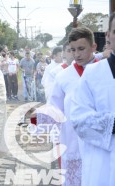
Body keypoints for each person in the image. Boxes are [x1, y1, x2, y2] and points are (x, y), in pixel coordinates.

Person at [49, 27, 99, 186]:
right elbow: (54, 109)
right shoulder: (63, 76)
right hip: (72, 142)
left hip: (101, 142)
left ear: (93, 47)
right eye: (72, 50)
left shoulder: (106, 71)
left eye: (81, 49)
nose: (76, 54)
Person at [70, 13, 115, 186]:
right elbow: (79, 120)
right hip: (103, 165)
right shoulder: (92, 75)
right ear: (108, 36)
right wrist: (112, 123)